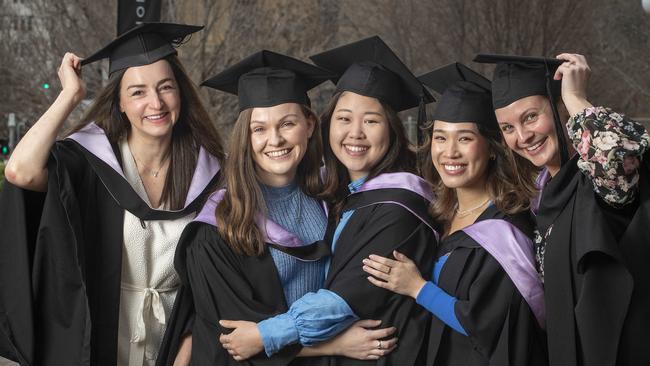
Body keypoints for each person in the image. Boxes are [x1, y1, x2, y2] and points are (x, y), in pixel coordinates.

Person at [0, 23, 224, 366]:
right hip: (100, 339)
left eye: (166, 87)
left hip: (172, 345)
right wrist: (69, 96)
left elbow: (212, 282)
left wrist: (188, 349)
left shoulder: (210, 175)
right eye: (137, 92)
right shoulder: (91, 164)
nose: (156, 102)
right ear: (118, 102)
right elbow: (20, 171)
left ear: (180, 93)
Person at [157, 50, 397, 366]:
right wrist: (335, 345)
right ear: (246, 135)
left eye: (287, 123)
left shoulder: (332, 201)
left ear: (309, 125)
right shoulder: (218, 228)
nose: (275, 140)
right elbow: (236, 342)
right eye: (259, 129)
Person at [219, 36, 439, 365]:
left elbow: (344, 298)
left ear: (392, 130)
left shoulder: (399, 209)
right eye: (344, 118)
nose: (355, 133)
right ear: (326, 123)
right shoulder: (338, 195)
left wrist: (266, 334)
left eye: (372, 121)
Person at [362, 62, 548, 366]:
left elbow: (491, 325)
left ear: (490, 147)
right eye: (440, 137)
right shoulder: (434, 215)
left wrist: (417, 288)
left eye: (464, 138)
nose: (449, 152)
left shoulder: (507, 231)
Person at [475, 53, 650, 366]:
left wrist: (575, 95)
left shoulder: (597, 184)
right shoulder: (541, 201)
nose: (523, 136)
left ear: (560, 110)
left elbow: (619, 155)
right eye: (507, 127)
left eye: (530, 117)